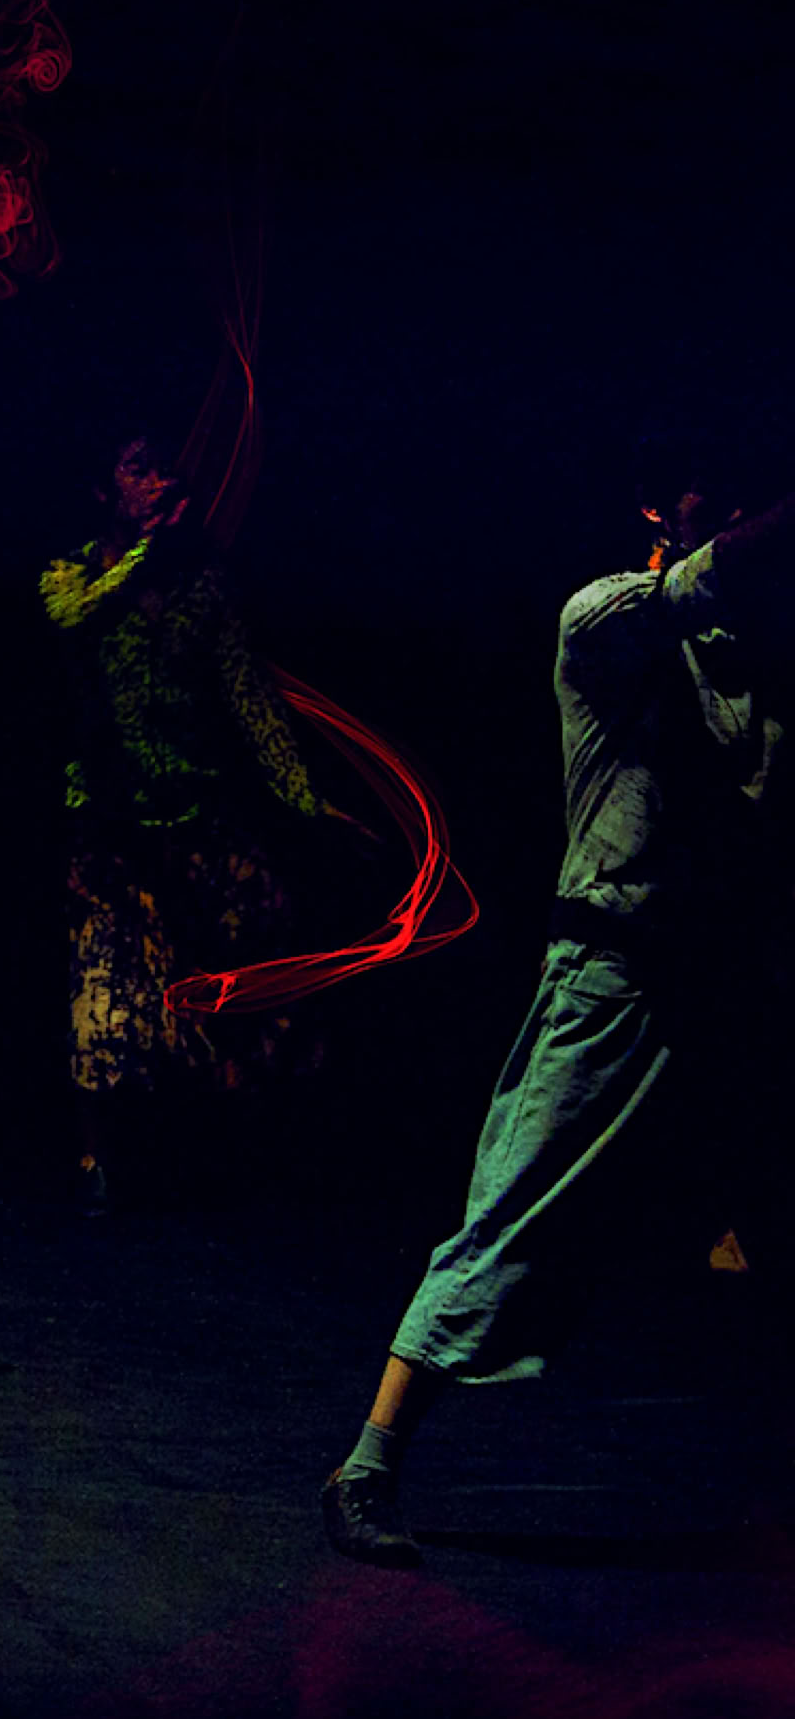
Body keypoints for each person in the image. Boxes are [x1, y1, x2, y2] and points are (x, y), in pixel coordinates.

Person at [320, 459, 794, 1566]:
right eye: (707, 496)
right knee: (513, 1213)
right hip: (612, 976)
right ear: (657, 509)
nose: (728, 513)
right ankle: (367, 1466)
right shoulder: (607, 619)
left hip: (724, 982)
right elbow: (720, 575)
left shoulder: (751, 665)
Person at [42, 439, 334, 1213]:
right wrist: (145, 555)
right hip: (108, 829)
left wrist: (305, 800)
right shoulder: (70, 574)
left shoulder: (203, 586)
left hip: (198, 818)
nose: (162, 481)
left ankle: (241, 1166)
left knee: (245, 980)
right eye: (138, 468)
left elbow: (248, 696)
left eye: (163, 467)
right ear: (102, 490)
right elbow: (72, 617)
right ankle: (96, 1164)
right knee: (103, 991)